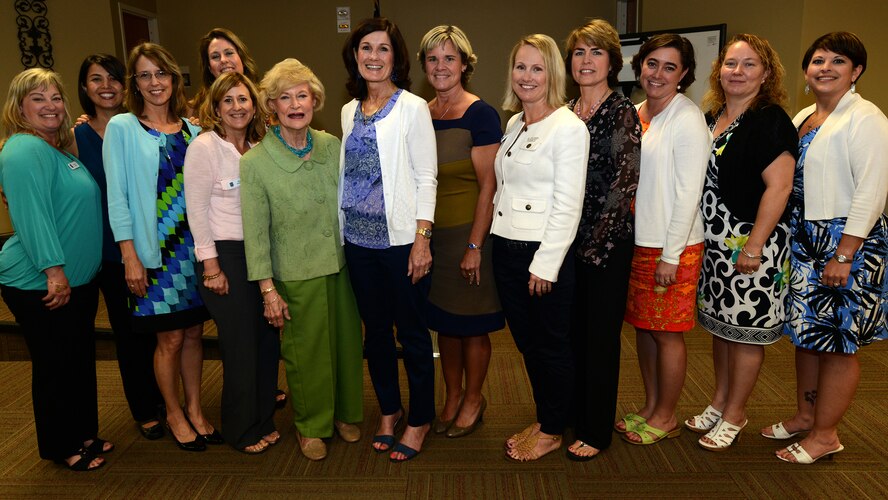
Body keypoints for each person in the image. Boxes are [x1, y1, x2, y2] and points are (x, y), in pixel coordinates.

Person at [769, 32, 888, 464]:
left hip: (845, 242)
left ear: (856, 72)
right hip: (805, 240)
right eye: (818, 60)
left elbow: (872, 191)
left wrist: (845, 254)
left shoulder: (866, 118)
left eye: (839, 62)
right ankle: (806, 415)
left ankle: (826, 434)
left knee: (838, 342)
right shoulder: (804, 115)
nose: (825, 68)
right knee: (807, 336)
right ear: (806, 69)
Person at [242, 59, 364, 461]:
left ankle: (346, 414)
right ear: (271, 106)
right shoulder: (255, 162)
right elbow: (256, 232)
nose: (296, 104)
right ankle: (311, 425)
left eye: (303, 95)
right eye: (285, 97)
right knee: (306, 354)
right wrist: (267, 289)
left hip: (340, 266)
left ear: (315, 99)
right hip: (294, 274)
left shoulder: (332, 146)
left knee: (347, 345)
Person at [104, 42, 215, 452]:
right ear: (136, 83)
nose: (155, 83)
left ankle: (195, 408)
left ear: (174, 78)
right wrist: (129, 254)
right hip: (155, 253)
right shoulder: (122, 128)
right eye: (145, 75)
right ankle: (173, 413)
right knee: (167, 339)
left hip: (194, 250)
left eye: (162, 73)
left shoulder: (195, 129)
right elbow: (117, 198)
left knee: (193, 333)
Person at [691, 34, 797, 452]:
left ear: (766, 73)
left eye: (749, 64)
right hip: (715, 245)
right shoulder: (712, 115)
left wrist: (753, 247)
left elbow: (780, 186)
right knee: (721, 328)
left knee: (746, 332)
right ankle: (720, 401)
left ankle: (736, 413)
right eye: (731, 64)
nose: (738, 72)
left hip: (754, 245)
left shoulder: (770, 120)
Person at [0, 68, 110, 471]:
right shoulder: (22, 150)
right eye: (38, 98)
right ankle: (61, 444)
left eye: (55, 98)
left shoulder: (57, 150)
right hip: (40, 282)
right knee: (55, 366)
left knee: (77, 360)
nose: (50, 106)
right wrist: (54, 271)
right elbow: (33, 218)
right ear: (19, 107)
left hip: (76, 282)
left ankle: (82, 432)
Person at [339, 17, 437, 462]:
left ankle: (420, 418)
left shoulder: (412, 107)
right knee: (375, 334)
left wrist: (421, 239)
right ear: (354, 56)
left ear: (395, 58)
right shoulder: (347, 110)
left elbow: (426, 177)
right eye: (365, 48)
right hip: (358, 243)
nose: (373, 57)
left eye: (382, 49)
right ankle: (390, 410)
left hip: (400, 243)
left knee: (413, 334)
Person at [493, 34, 589, 462]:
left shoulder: (569, 128)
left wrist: (545, 266)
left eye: (537, 68)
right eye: (520, 67)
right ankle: (548, 414)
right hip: (507, 249)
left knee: (550, 345)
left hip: (541, 256)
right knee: (528, 345)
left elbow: (568, 204)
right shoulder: (514, 124)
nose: (527, 76)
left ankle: (552, 429)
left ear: (552, 74)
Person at [183, 72, 281, 454]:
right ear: (216, 108)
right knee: (241, 347)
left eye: (243, 99)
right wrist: (211, 268)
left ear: (254, 105)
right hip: (225, 257)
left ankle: (263, 420)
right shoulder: (204, 147)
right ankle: (241, 430)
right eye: (228, 101)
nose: (237, 107)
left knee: (266, 342)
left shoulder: (261, 145)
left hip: (261, 255)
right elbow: (196, 211)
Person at [620, 34, 710, 446]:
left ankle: (668, 414)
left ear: (684, 74)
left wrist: (671, 255)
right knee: (644, 328)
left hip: (674, 246)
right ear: (639, 66)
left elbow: (690, 192)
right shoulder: (637, 112)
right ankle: (650, 405)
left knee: (668, 332)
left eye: (669, 67)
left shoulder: (686, 117)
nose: (657, 74)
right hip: (638, 242)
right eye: (652, 63)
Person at [72, 53, 166, 441]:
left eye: (113, 78)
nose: (106, 86)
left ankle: (158, 401)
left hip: (140, 245)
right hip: (96, 249)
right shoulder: (73, 135)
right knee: (117, 335)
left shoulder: (138, 128)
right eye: (96, 79)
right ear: (84, 88)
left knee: (147, 331)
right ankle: (144, 408)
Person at [417, 25, 504, 439]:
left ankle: (474, 398)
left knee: (472, 326)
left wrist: (475, 245)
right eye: (433, 59)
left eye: (449, 58)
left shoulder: (481, 114)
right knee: (444, 325)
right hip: (431, 239)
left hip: (470, 237)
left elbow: (490, 185)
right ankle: (451, 396)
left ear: (465, 64)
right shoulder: (421, 112)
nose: (441, 66)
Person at [563, 20, 641, 460]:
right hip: (565, 242)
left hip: (605, 244)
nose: (586, 61)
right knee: (571, 333)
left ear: (612, 61)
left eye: (595, 53)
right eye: (578, 53)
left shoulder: (621, 111)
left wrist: (592, 243)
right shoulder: (566, 111)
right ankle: (574, 412)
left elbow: (624, 183)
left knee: (599, 337)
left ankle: (596, 430)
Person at [186, 28, 259, 117]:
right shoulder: (194, 109)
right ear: (209, 68)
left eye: (229, 53)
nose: (223, 60)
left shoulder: (265, 100)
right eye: (215, 56)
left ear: (242, 59)